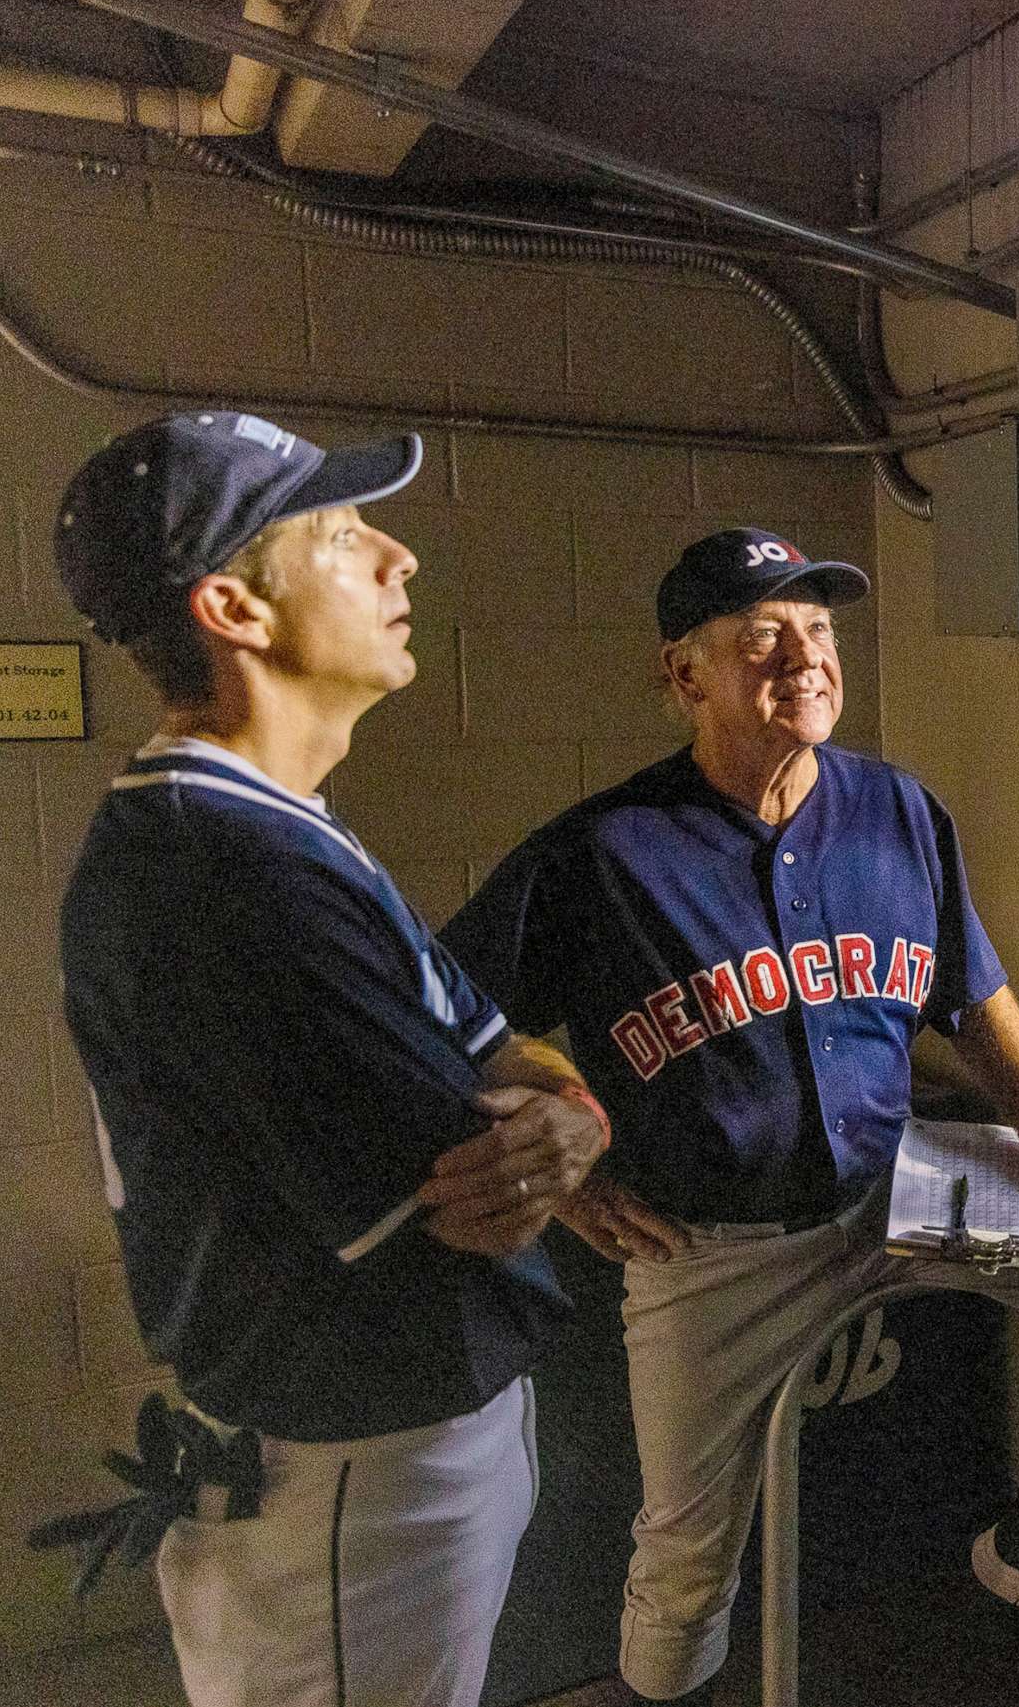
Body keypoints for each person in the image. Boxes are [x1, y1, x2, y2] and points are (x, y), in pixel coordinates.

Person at [438, 527, 1019, 1704]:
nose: (806, 657)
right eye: (763, 636)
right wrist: (565, 1168)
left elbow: (976, 997)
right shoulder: (604, 851)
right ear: (685, 675)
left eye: (821, 629)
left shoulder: (897, 809)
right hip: (713, 1250)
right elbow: (452, 1017)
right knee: (685, 1566)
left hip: (902, 1189)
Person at [49, 411, 609, 1707]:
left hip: (389, 1455)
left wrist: (576, 1114)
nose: (399, 559)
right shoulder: (218, 873)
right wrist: (555, 1133)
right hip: (345, 1481)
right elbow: (484, 1194)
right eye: (347, 536)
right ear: (234, 607)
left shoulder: (277, 828)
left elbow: (510, 1064)